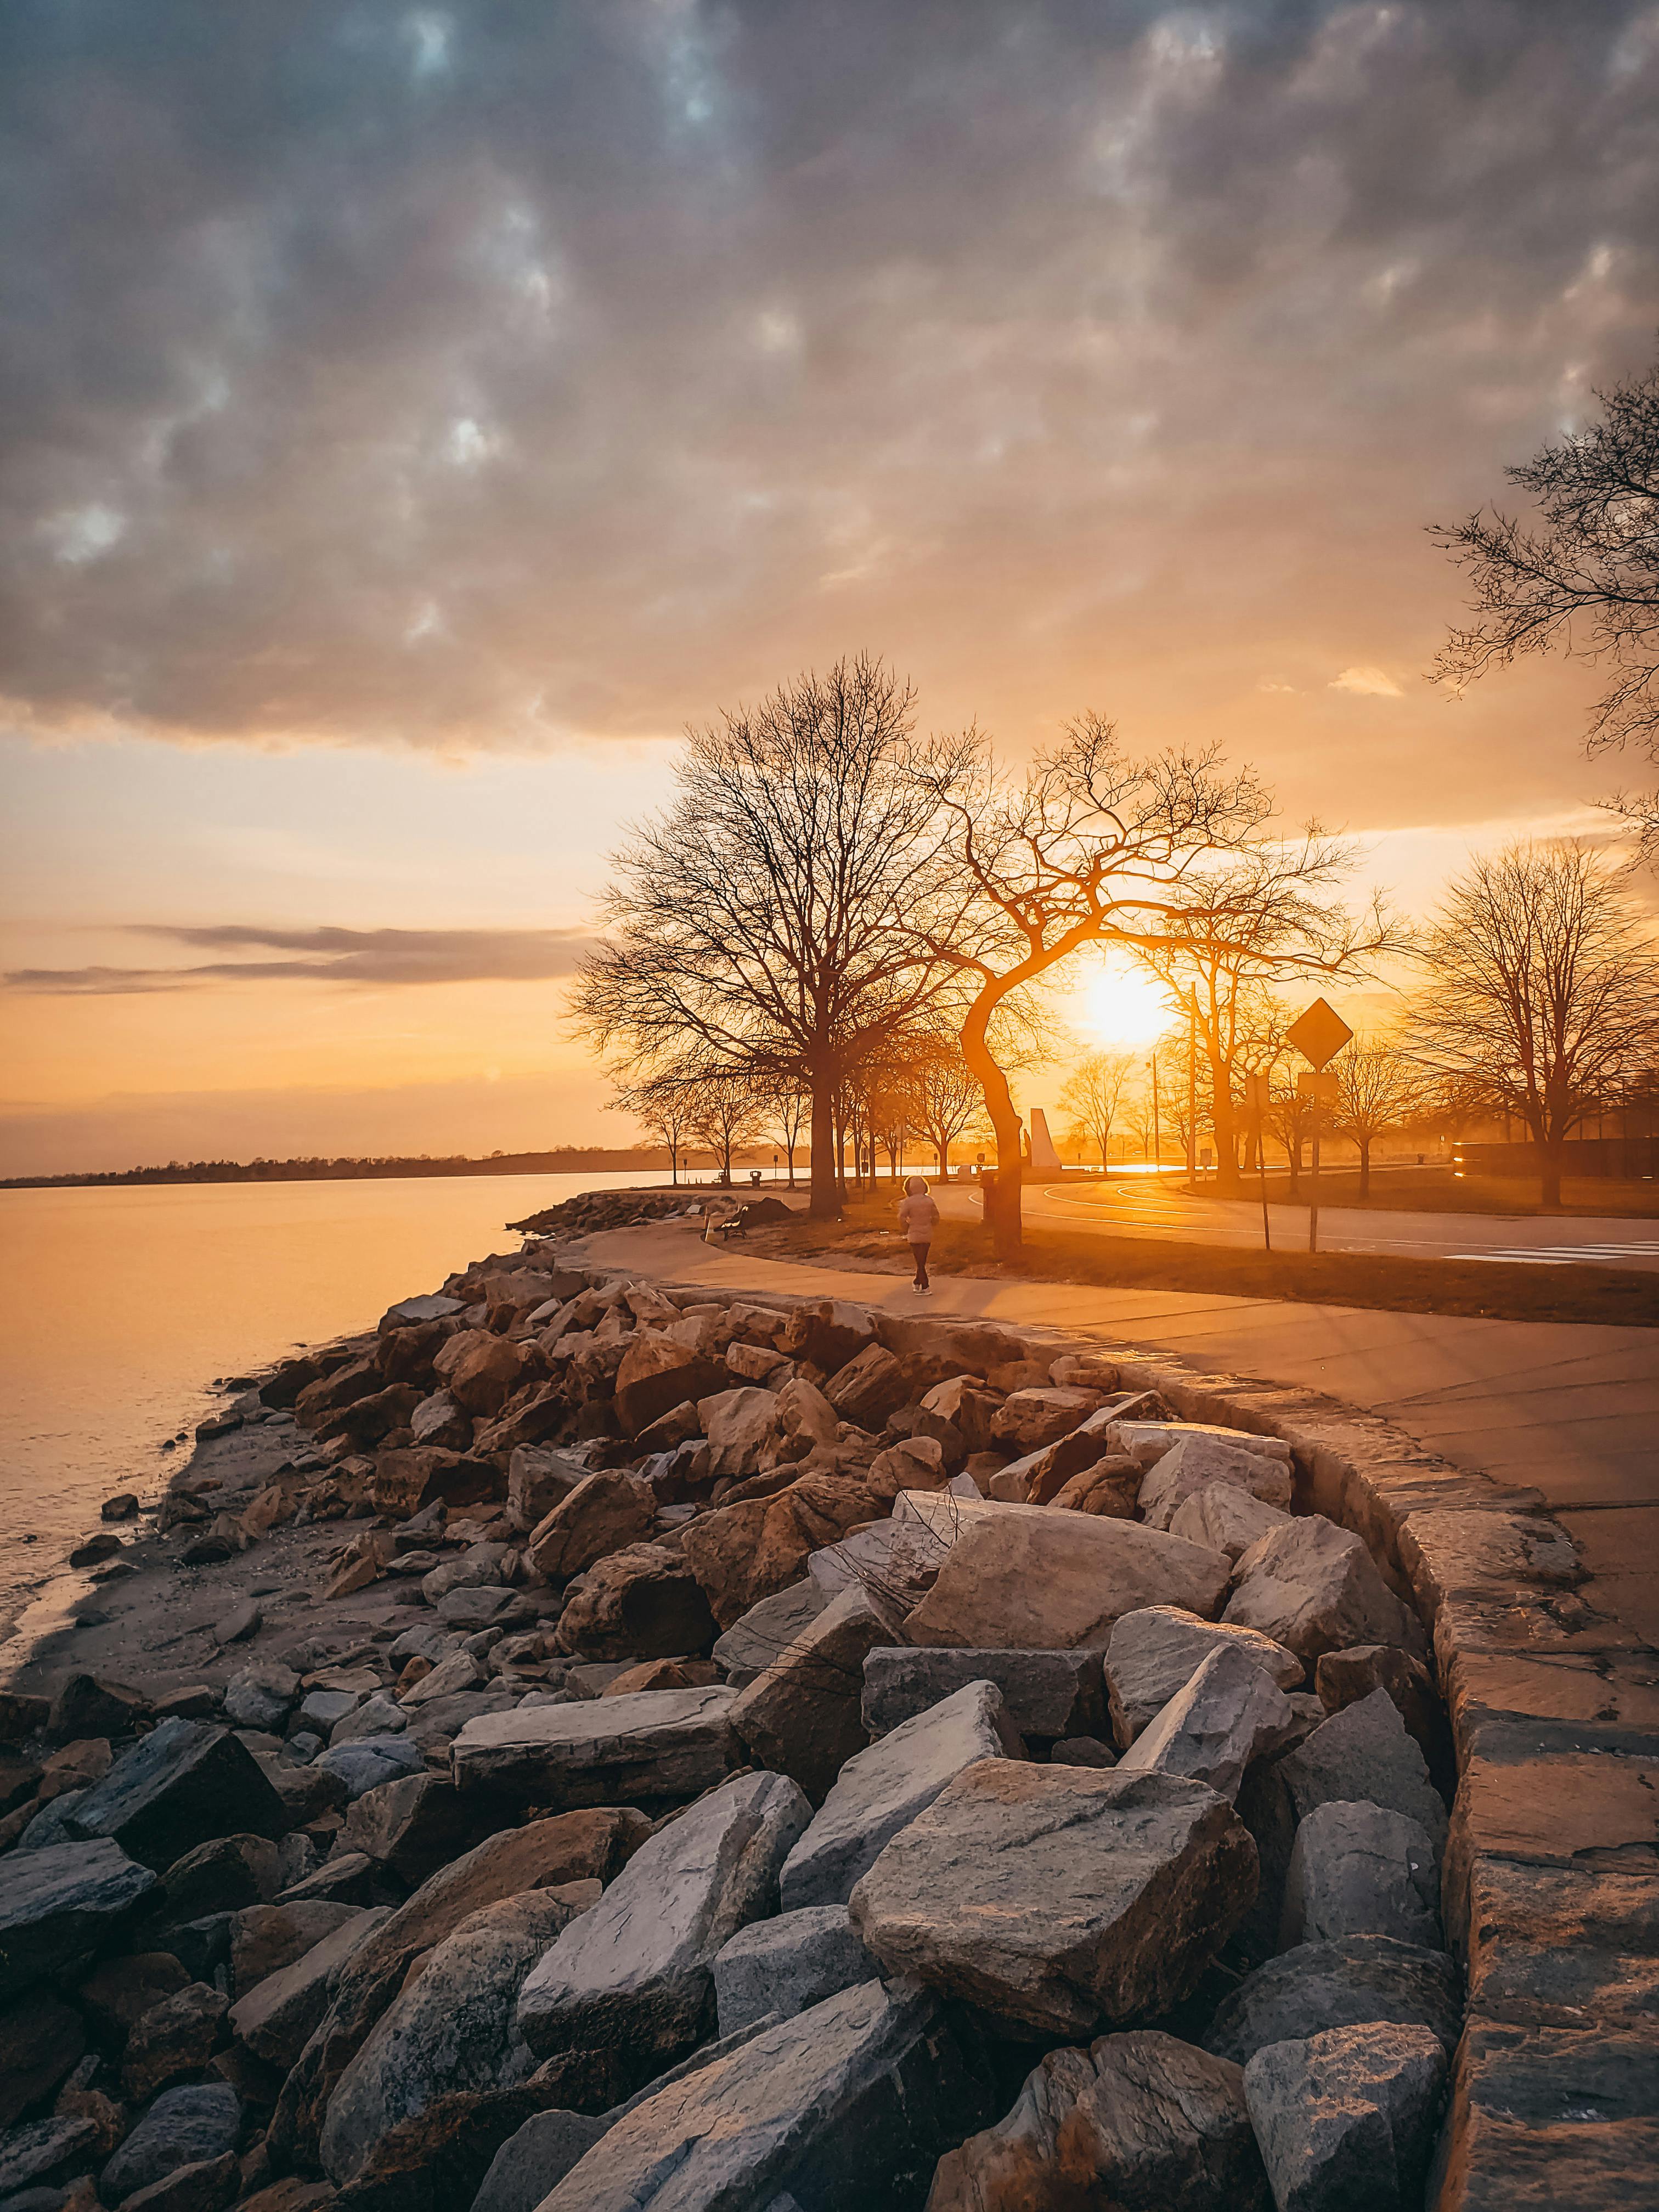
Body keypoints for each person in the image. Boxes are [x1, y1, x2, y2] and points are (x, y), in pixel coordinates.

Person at [896, 1175, 940, 1293]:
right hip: (927, 1233)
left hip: (914, 1234)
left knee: (920, 1261)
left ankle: (925, 1286)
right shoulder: (929, 1201)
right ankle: (917, 1282)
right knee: (922, 1260)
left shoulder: (907, 1202)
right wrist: (932, 1223)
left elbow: (901, 1217)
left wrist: (906, 1227)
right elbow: (936, 1216)